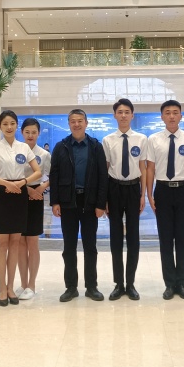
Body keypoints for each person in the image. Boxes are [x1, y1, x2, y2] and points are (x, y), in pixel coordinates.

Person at [0, 110, 41, 306]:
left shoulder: (23, 147)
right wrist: (5, 183)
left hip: (19, 194)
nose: (9, 127)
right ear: (0, 126)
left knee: (15, 242)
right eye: (5, 124)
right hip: (2, 193)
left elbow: (37, 172)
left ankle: (11, 286)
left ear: (16, 126)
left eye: (12, 123)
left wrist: (22, 182)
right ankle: (2, 287)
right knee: (2, 243)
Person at [146, 100, 184, 300]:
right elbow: (150, 168)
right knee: (165, 239)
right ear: (162, 116)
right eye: (168, 112)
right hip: (162, 191)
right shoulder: (153, 139)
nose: (171, 116)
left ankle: (182, 283)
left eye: (175, 112)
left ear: (181, 116)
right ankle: (169, 284)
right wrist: (149, 194)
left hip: (183, 191)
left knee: (182, 239)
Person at [50, 109, 108, 302]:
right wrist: (55, 201)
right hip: (68, 202)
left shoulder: (95, 146)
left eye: (80, 121)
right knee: (69, 247)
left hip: (90, 202)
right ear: (69, 124)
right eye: (73, 121)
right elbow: (54, 175)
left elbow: (103, 176)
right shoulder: (61, 147)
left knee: (90, 246)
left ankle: (91, 287)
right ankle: (71, 287)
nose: (76, 124)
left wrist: (100, 204)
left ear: (86, 123)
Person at [102, 98, 147, 301]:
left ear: (132, 115)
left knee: (133, 238)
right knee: (116, 238)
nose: (123, 115)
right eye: (119, 112)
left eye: (127, 112)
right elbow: (105, 170)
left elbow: (143, 168)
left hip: (133, 189)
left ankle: (131, 283)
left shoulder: (141, 139)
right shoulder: (108, 140)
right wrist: (104, 198)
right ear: (114, 115)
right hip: (114, 188)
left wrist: (143, 195)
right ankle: (119, 284)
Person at [17, 117, 51, 300]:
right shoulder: (16, 151)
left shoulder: (44, 154)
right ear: (22, 133)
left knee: (32, 242)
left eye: (34, 132)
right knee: (20, 243)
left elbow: (51, 176)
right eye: (27, 132)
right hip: (18, 195)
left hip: (36, 197)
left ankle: (32, 284)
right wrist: (27, 189)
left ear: (38, 133)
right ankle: (23, 283)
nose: (30, 135)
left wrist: (40, 188)